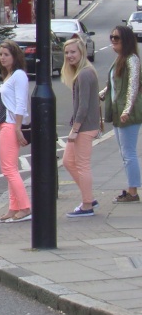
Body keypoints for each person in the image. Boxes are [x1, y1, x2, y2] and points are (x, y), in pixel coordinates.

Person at [0, 39, 32, 223]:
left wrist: (18, 128)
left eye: (6, 54)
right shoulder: (9, 75)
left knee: (9, 169)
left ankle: (25, 207)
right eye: (0, 54)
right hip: (5, 124)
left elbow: (20, 104)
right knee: (8, 169)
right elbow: (4, 105)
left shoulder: (19, 75)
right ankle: (13, 208)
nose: (2, 58)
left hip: (11, 125)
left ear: (15, 56)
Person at [100, 24, 141, 204]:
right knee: (125, 153)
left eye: (116, 38)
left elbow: (133, 86)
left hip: (128, 113)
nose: (113, 41)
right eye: (112, 38)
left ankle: (133, 191)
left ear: (126, 40)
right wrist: (100, 94)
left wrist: (127, 110)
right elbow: (112, 85)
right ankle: (131, 189)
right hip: (118, 112)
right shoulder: (119, 59)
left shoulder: (132, 59)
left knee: (129, 153)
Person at [61, 36, 101, 217]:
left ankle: (87, 205)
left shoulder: (84, 73)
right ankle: (89, 197)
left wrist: (75, 129)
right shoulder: (82, 72)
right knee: (68, 161)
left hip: (84, 127)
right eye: (67, 52)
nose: (69, 56)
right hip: (82, 126)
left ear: (82, 52)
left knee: (82, 165)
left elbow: (84, 105)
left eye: (73, 52)